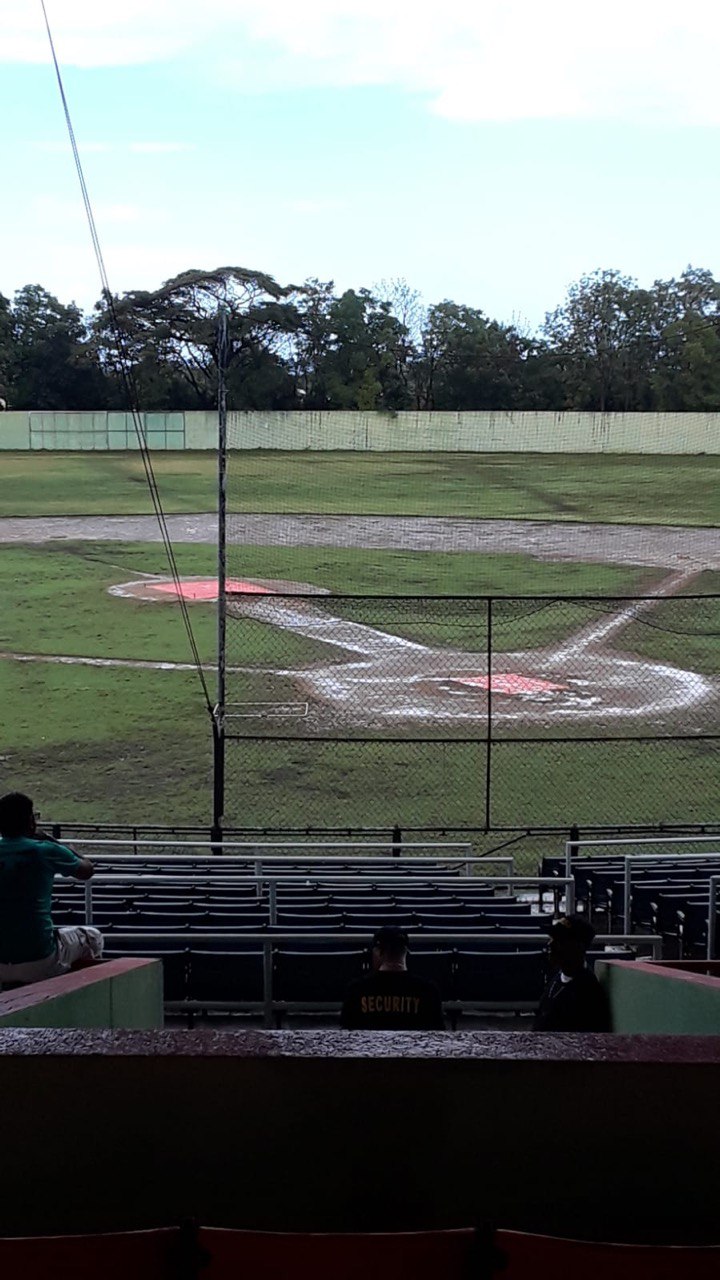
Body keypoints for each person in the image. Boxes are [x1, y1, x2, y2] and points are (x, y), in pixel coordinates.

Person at [0, 792, 103, 987]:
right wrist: (55, 842)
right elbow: (87, 870)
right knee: (92, 937)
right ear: (31, 821)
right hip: (40, 960)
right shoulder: (45, 850)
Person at [341, 926, 444, 1030]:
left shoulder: (356, 989)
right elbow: (437, 1035)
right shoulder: (428, 990)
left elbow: (347, 1033)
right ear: (406, 951)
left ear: (378, 952)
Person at [534, 914, 610, 1032]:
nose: (550, 944)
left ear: (577, 947)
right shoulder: (557, 978)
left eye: (559, 940)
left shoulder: (587, 993)